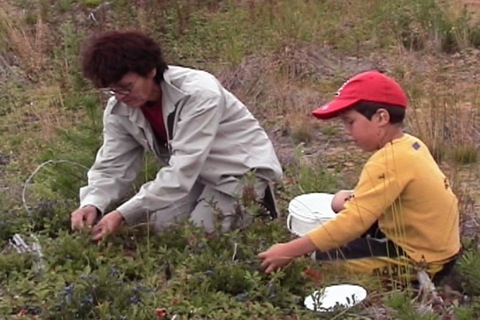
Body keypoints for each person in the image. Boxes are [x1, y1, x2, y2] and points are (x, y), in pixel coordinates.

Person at [70, 30, 283, 241]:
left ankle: (260, 205)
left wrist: (122, 214)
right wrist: (92, 203)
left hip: (239, 171)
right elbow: (112, 165)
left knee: (198, 237)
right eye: (113, 90)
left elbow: (182, 170)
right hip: (198, 175)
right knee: (162, 227)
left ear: (150, 70)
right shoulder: (119, 109)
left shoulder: (199, 94)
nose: (121, 97)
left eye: (127, 87)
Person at [258, 71, 461, 282]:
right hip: (436, 247)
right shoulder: (409, 145)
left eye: (350, 122)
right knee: (339, 205)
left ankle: (416, 280)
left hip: (424, 260)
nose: (347, 131)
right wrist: (344, 200)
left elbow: (352, 223)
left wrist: (289, 250)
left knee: (320, 263)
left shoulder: (387, 160)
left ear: (381, 118)